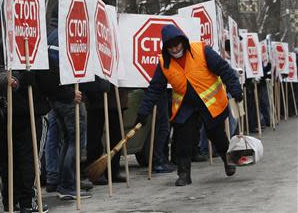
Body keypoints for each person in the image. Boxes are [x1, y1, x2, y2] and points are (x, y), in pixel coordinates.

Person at [135, 24, 243, 186]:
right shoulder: (164, 63)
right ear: (166, 48)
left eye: (177, 45)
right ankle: (184, 174)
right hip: (186, 106)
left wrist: (235, 89)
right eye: (170, 47)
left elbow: (224, 69)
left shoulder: (202, 51)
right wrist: (144, 111)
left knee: (216, 135)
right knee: (183, 140)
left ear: (183, 42)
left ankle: (228, 161)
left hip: (210, 103)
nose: (174, 49)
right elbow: (154, 89)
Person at [0, 22, 49, 213]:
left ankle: (11, 201)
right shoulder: (33, 45)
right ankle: (25, 201)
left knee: (12, 158)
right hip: (22, 110)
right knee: (26, 157)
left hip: (10, 111)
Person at [43, 26, 92, 200]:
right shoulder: (64, 36)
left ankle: (66, 183)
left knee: (68, 140)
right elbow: (54, 72)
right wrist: (70, 93)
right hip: (68, 97)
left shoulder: (53, 36)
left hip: (58, 98)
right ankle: (67, 185)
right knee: (76, 141)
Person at [83, 78, 126, 184]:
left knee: (116, 137)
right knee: (94, 137)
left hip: (116, 97)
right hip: (95, 95)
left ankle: (113, 170)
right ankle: (95, 172)